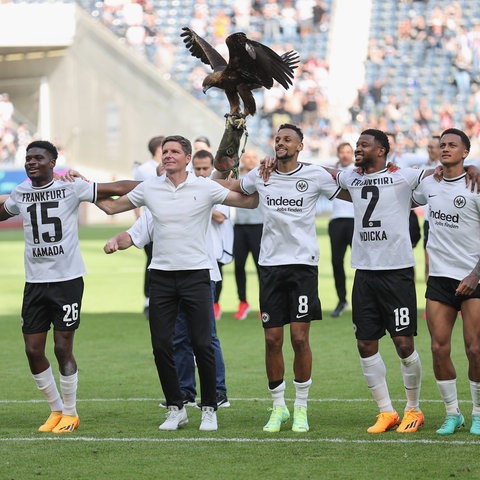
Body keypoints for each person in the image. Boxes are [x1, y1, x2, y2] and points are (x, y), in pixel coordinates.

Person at [96, 135, 258, 432]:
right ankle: (176, 408)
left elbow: (248, 201)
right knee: (161, 346)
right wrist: (82, 189)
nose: (168, 155)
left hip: (197, 275)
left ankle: (209, 408)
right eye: (165, 152)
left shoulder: (205, 186)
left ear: (187, 158)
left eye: (174, 152)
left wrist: (261, 177)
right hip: (161, 276)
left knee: (202, 344)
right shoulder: (150, 188)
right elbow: (110, 208)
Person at [0, 140, 138, 434]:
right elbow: (4, 210)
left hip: (67, 281)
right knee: (32, 349)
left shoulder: (71, 188)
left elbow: (115, 188)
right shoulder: (20, 192)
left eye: (38, 158)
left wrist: (157, 184)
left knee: (62, 347)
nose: (31, 162)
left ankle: (71, 413)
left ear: (53, 162)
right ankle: (55, 410)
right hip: (34, 283)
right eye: (28, 158)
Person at [215, 124, 345, 433]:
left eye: (288, 139)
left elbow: (351, 188)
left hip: (303, 267)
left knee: (300, 339)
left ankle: (301, 407)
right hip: (270, 266)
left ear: (301, 146)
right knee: (272, 339)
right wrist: (210, 174)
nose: (280, 143)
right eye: (277, 139)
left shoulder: (314, 176)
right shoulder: (261, 175)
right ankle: (278, 407)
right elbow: (230, 187)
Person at [335, 129, 426, 434]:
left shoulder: (405, 176)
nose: (357, 149)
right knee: (365, 342)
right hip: (364, 273)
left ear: (383, 150)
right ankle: (386, 412)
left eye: (364, 145)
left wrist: (471, 169)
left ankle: (413, 408)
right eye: (357, 144)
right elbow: (325, 174)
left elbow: (441, 176)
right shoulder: (352, 177)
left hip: (397, 272)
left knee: (403, 342)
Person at [412, 128, 480, 436]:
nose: (446, 149)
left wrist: (475, 274)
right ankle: (453, 414)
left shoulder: (476, 184)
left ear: (466, 152)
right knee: (439, 348)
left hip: (473, 278)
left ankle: (478, 412)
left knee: (475, 349)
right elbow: (390, 188)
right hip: (440, 278)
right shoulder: (430, 183)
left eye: (453, 145)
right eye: (442, 145)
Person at [134, 135, 164, 319]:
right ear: (159, 149)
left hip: (168, 223)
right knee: (151, 260)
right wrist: (139, 219)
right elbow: (136, 196)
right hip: (150, 222)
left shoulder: (175, 168)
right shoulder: (144, 169)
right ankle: (148, 298)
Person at [232, 150, 264, 320]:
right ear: (243, 159)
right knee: (239, 266)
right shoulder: (237, 175)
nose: (250, 160)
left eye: (253, 157)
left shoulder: (263, 174)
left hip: (259, 226)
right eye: (247, 157)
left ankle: (264, 303)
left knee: (261, 268)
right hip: (240, 226)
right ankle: (243, 302)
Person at [327, 142, 354, 318]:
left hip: (355, 221)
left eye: (347, 152)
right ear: (337, 154)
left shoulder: (358, 170)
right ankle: (341, 299)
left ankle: (364, 298)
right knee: (337, 262)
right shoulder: (332, 170)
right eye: (341, 152)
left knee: (361, 262)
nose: (344, 155)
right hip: (336, 220)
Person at [422, 135, 442, 282]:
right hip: (429, 220)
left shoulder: (453, 168)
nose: (430, 150)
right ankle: (431, 297)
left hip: (446, 221)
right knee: (428, 263)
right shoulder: (424, 167)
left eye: (432, 147)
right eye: (428, 147)